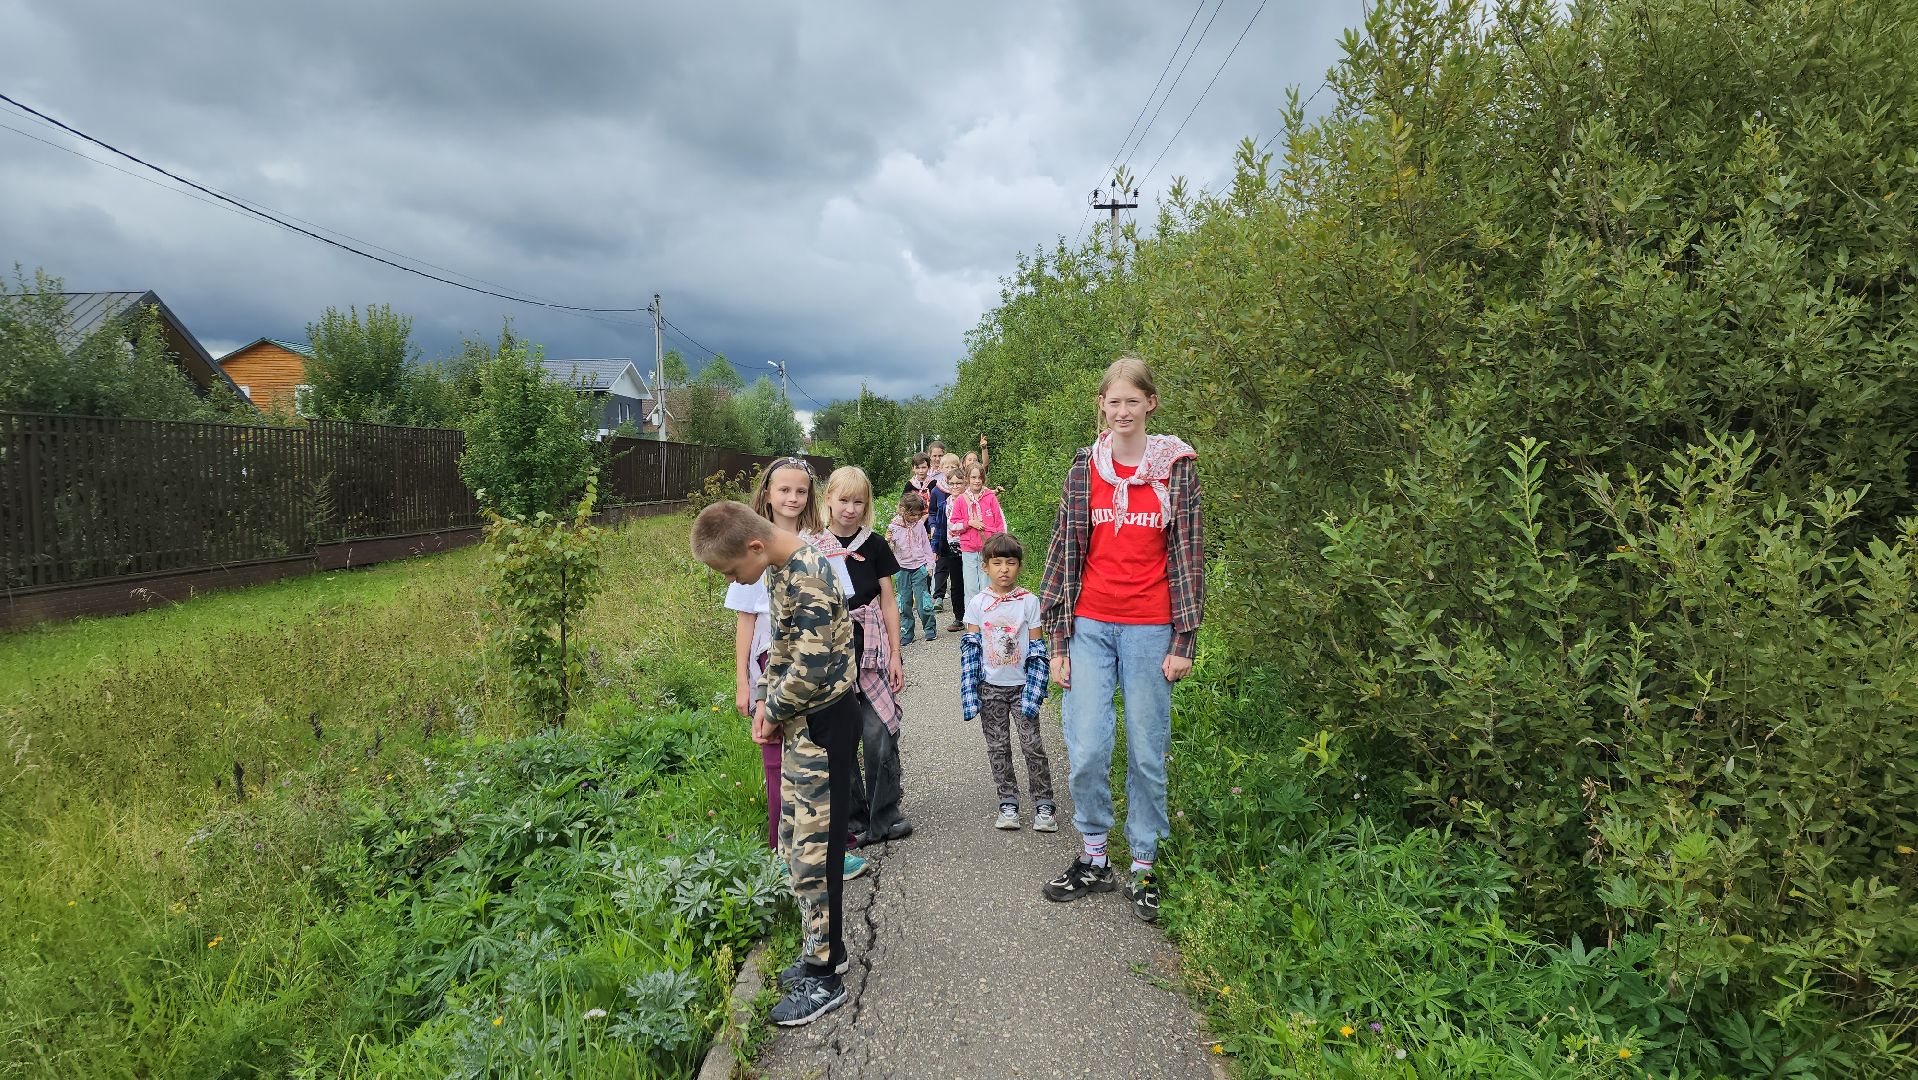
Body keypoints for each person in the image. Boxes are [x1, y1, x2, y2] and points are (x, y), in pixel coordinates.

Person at [1038, 354, 1203, 924]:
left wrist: (1186, 639)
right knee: (1086, 747)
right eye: (1115, 402)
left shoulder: (1175, 469)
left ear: (1150, 404)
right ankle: (1093, 857)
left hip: (1151, 629)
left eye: (1134, 401)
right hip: (1090, 627)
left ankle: (1144, 863)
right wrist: (1058, 642)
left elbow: (1188, 556)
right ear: (1102, 408)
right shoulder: (1085, 471)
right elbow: (1063, 555)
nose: (1124, 410)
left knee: (1146, 749)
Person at [693, 501, 860, 1026]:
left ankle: (826, 974)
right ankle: (821, 948)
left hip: (825, 726)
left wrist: (773, 711)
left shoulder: (808, 573)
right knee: (796, 839)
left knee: (817, 855)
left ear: (754, 547)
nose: (733, 579)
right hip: (802, 727)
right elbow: (782, 652)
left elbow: (810, 668)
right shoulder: (780, 570)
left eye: (729, 570)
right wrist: (765, 698)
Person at [727, 459, 868, 879]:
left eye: (801, 491)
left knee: (820, 762)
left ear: (810, 497)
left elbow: (839, 605)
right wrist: (745, 684)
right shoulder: (751, 545)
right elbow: (746, 621)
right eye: (783, 490)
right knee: (779, 765)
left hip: (815, 671)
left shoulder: (814, 547)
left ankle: (829, 848)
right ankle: (783, 850)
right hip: (771, 668)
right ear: (766, 493)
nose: (792, 498)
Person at [822, 466, 913, 846]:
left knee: (878, 730)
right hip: (830, 653)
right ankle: (854, 817)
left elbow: (889, 601)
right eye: (843, 500)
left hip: (871, 649)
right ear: (828, 499)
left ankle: (885, 814)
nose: (850, 508)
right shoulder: (811, 545)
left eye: (858, 501)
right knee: (840, 737)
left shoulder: (874, 544)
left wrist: (895, 654)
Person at [960, 532, 1057, 832]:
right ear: (985, 566)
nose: (1004, 569)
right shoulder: (977, 604)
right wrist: (971, 690)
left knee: (1032, 744)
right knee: (998, 746)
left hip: (1022, 687)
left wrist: (1037, 685)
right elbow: (972, 649)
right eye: (997, 562)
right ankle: (1008, 802)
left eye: (1011, 563)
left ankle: (1043, 803)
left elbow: (1038, 648)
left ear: (1019, 566)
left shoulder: (1029, 602)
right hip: (990, 688)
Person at [948, 462, 1005, 616]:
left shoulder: (991, 497)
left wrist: (999, 543)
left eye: (980, 477)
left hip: (988, 548)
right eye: (973, 477)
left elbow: (1000, 522)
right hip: (968, 549)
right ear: (967, 479)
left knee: (987, 585)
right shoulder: (960, 500)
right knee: (971, 586)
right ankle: (973, 621)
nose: (977, 481)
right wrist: (968, 523)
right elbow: (953, 525)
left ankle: (989, 617)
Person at [888, 491, 938, 645]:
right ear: (903, 511)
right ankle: (907, 632)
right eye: (913, 515)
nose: (916, 518)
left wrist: (930, 564)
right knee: (904, 602)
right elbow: (890, 549)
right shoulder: (893, 527)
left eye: (919, 514)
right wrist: (889, 542)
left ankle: (929, 629)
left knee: (923, 601)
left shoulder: (919, 526)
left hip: (919, 567)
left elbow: (925, 545)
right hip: (901, 568)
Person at [934, 453, 967, 631]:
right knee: (955, 582)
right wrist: (936, 548)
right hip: (951, 546)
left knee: (970, 582)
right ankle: (959, 617)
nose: (955, 486)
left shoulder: (968, 501)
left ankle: (973, 616)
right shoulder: (944, 504)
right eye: (952, 483)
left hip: (969, 546)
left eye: (958, 483)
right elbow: (940, 527)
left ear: (965, 484)